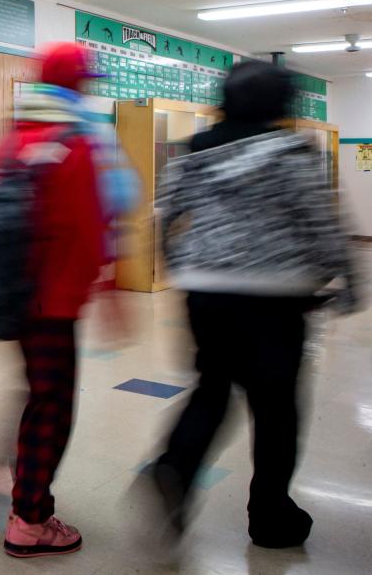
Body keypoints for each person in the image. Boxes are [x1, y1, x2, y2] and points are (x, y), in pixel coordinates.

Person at [151, 60, 361, 548]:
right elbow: (322, 225)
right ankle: (270, 514)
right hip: (274, 297)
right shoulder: (292, 152)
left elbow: (165, 213)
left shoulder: (194, 150)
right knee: (276, 408)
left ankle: (174, 469)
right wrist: (347, 283)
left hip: (206, 292)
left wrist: (181, 265)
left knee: (212, 388)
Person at [0, 42, 119, 558]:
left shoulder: (14, 136)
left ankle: (26, 499)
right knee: (52, 408)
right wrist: (107, 287)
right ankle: (29, 520)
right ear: (77, 84)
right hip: (54, 301)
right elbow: (90, 226)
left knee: (36, 398)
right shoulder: (79, 141)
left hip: (15, 294)